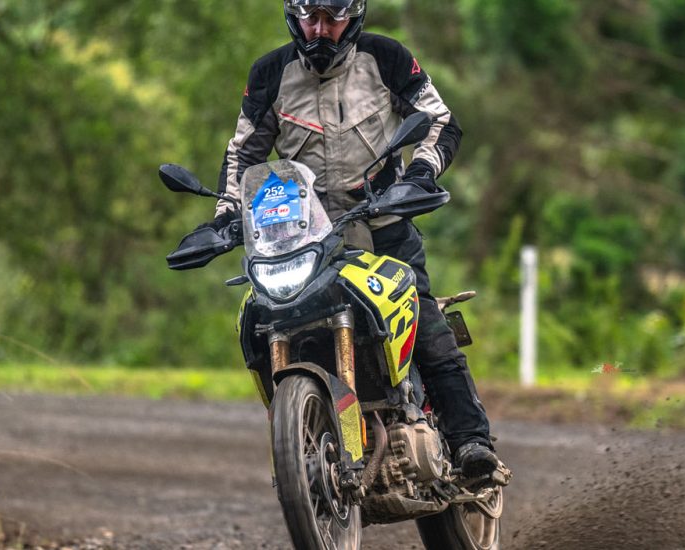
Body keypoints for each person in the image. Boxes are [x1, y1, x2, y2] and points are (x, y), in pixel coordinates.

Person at [207, 0, 499, 478]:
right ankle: (305, 434)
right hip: (304, 241)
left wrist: (421, 172)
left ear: (355, 14)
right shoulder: (269, 73)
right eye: (310, 17)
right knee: (262, 321)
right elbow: (243, 155)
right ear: (293, 15)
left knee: (423, 320)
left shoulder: (386, 57)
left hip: (383, 228)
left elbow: (441, 121)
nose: (319, 29)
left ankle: (471, 440)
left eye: (332, 17)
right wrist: (226, 214)